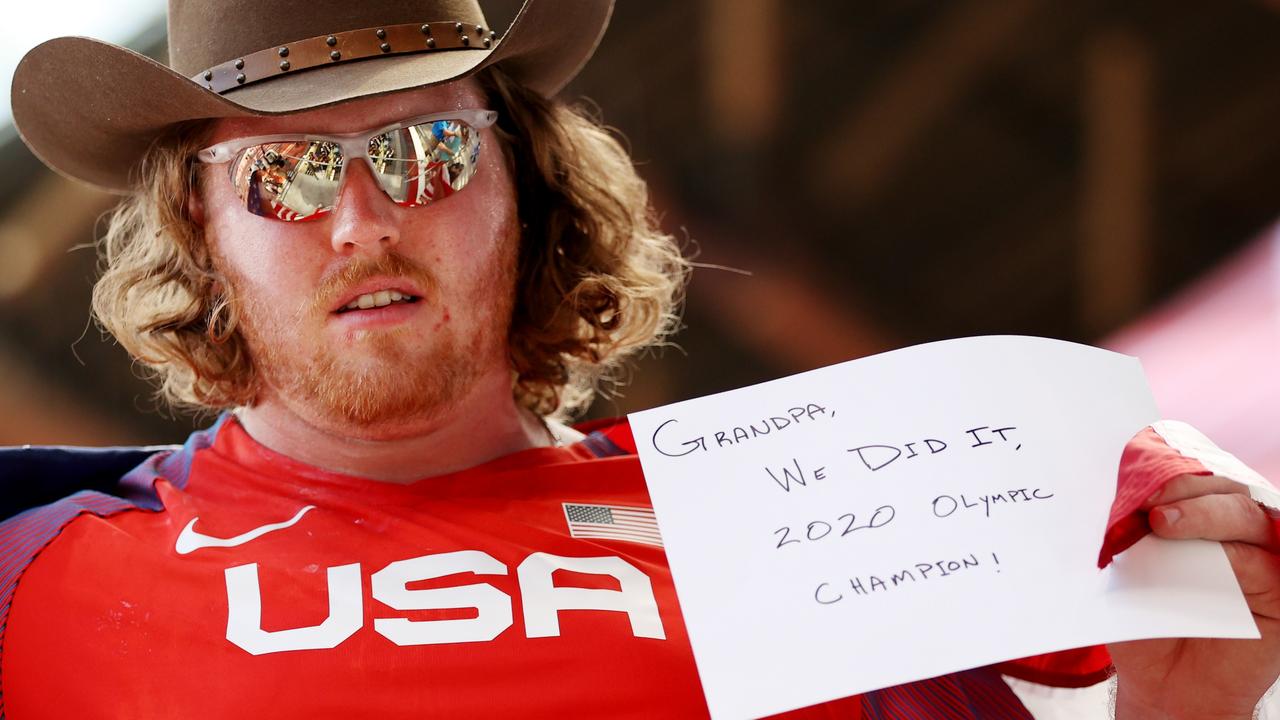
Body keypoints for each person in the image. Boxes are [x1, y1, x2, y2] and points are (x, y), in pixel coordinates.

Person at [3, 1, 1277, 717]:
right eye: (281, 172)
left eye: (426, 152)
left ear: (528, 190)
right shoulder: (25, 569)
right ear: (198, 232)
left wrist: (1188, 714)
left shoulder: (852, 519)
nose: (363, 217)